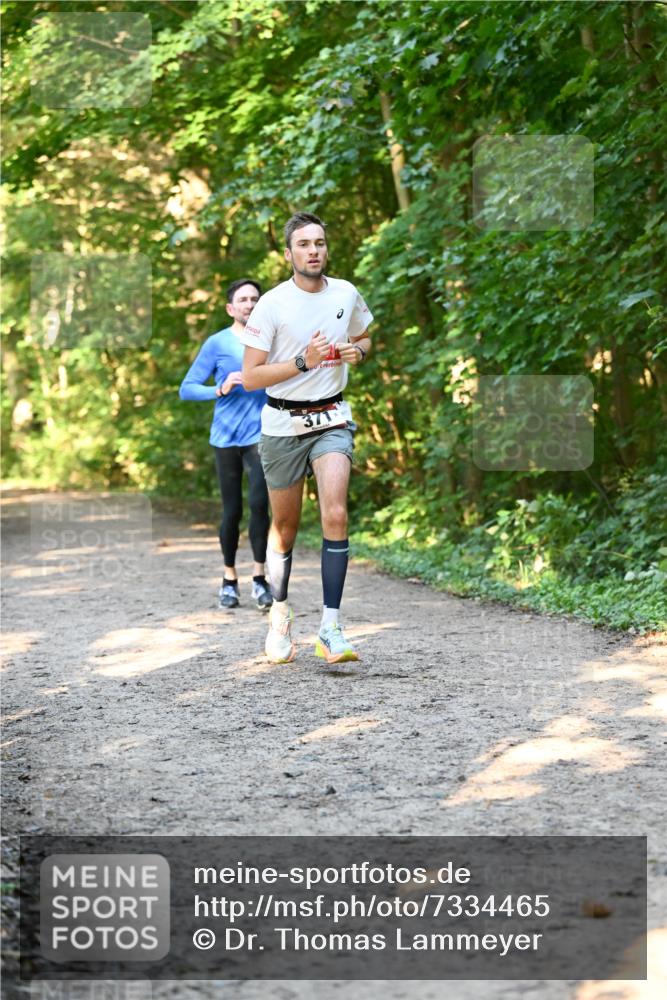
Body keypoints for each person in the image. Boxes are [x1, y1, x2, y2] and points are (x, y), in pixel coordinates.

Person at [241, 212, 373, 664]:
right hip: (282, 425)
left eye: (319, 242)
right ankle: (280, 612)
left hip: (332, 416)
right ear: (288, 254)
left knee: (335, 512)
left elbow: (364, 335)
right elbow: (251, 376)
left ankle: (331, 628)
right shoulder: (272, 304)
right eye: (304, 244)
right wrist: (303, 362)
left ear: (326, 249)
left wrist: (358, 350)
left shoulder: (346, 293)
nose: (313, 250)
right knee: (285, 529)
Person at [179, 279, 273, 611]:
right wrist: (218, 389)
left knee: (260, 505)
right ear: (231, 309)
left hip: (263, 435)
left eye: (255, 299)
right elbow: (187, 388)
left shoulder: (272, 340)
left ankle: (259, 579)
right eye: (243, 300)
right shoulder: (217, 343)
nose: (250, 304)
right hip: (225, 437)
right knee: (231, 511)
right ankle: (229, 579)